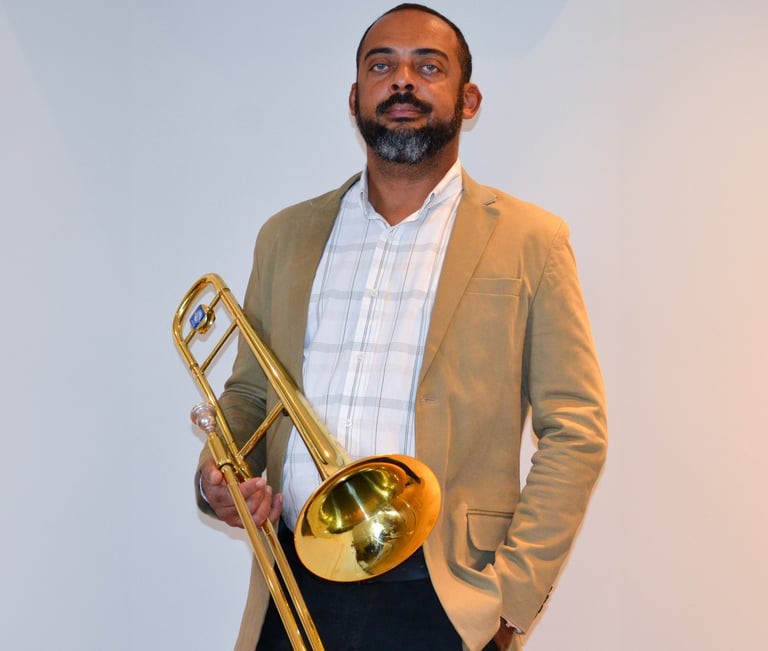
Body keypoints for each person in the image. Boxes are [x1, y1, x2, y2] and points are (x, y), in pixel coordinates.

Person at [195, 4, 607, 650]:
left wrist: (509, 602)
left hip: (442, 594)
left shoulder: (532, 240)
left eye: (429, 67)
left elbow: (576, 430)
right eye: (381, 66)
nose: (402, 81)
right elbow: (248, 395)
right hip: (293, 585)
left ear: (468, 99)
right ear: (355, 97)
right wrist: (216, 476)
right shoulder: (286, 235)